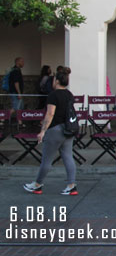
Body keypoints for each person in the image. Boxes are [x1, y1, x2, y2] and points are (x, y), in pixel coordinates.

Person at [23, 68, 77, 196]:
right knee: (68, 157)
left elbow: (50, 113)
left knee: (46, 160)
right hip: (68, 129)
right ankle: (71, 185)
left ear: (57, 81)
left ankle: (37, 184)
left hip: (54, 130)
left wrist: (42, 131)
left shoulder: (53, 95)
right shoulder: (69, 94)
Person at [8, 57, 25, 126]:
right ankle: (2, 118)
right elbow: (16, 83)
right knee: (15, 107)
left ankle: (20, 122)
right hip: (15, 93)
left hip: (16, 92)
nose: (23, 63)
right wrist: (19, 93)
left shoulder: (17, 70)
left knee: (19, 107)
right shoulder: (15, 71)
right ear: (17, 62)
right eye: (22, 61)